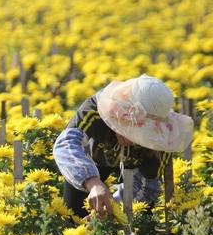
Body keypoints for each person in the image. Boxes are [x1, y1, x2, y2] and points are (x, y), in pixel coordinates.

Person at [53, 74, 194, 218]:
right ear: (121, 109)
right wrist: (92, 182)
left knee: (137, 219)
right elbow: (65, 144)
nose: (133, 136)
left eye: (142, 131)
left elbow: (147, 187)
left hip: (135, 171)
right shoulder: (95, 109)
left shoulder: (161, 139)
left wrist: (113, 209)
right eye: (132, 127)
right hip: (91, 161)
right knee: (74, 213)